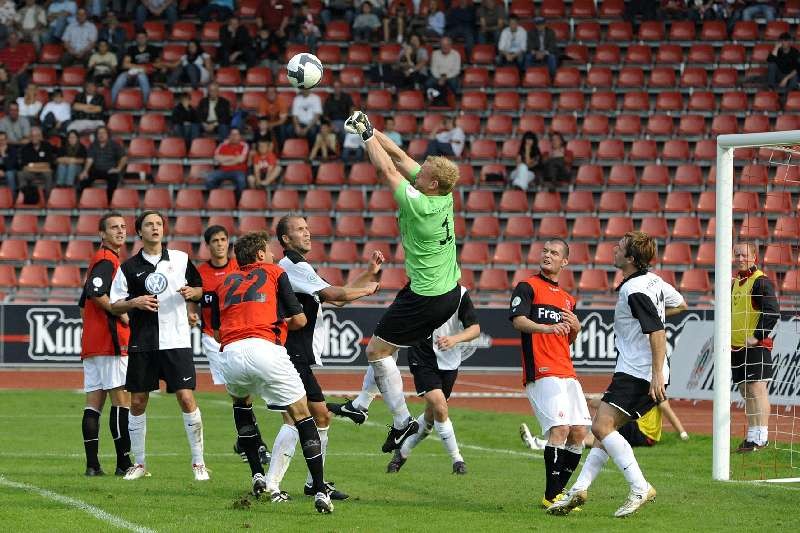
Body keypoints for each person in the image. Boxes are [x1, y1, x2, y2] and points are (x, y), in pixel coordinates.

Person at [329, 110, 462, 453]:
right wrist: (371, 128)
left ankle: (402, 423)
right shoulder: (441, 193)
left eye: (424, 173)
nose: (418, 173)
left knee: (376, 350)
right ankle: (360, 405)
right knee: (385, 347)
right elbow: (400, 157)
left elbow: (387, 168)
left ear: (431, 183)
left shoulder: (420, 204)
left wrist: (366, 136)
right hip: (444, 291)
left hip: (428, 296)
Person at [548, 231, 687, 518]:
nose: (614, 249)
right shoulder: (654, 281)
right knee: (604, 429)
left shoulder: (633, 289)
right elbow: (681, 304)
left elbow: (657, 331)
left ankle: (639, 486)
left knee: (600, 428)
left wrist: (656, 375)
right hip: (639, 370)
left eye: (620, 247)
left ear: (631, 258)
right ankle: (579, 489)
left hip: (638, 372)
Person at [213, 231, 333, 513]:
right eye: (268, 251)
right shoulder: (275, 272)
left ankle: (257, 474)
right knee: (303, 413)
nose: (273, 256)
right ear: (259, 256)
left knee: (242, 406)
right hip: (264, 348)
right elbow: (300, 319)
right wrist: (274, 323)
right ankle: (319, 491)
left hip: (229, 353)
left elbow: (218, 329)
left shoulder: (225, 281)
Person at [263, 215, 381, 500]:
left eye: (307, 227)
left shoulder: (299, 268)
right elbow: (335, 293)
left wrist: (368, 273)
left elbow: (336, 298)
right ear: (286, 240)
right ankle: (272, 485)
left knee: (320, 416)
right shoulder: (293, 266)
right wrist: (368, 289)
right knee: (295, 418)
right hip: (289, 352)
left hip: (297, 353)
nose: (308, 233)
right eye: (300, 230)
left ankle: (313, 483)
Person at [109, 210, 208, 482]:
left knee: (186, 399)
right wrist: (135, 302)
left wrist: (192, 295)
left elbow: (200, 288)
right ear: (139, 232)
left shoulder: (181, 259)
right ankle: (139, 463)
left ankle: (199, 462)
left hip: (176, 341)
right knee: (138, 401)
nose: (155, 228)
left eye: (159, 224)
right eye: (149, 224)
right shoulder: (128, 267)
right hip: (143, 342)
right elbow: (114, 303)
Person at [509, 239, 588, 508]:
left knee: (578, 432)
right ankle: (552, 496)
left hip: (567, 371)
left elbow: (568, 339)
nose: (547, 256)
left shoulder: (568, 299)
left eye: (554, 253)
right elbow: (518, 321)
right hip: (541, 371)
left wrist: (575, 327)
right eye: (545, 251)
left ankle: (559, 492)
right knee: (560, 428)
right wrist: (545, 328)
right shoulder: (527, 286)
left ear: (564, 261)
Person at [196, 225, 271, 466]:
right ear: (208, 246)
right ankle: (254, 443)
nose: (219, 244)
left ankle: (248, 440)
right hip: (212, 336)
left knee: (242, 394)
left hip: (237, 336)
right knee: (239, 394)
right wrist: (190, 311)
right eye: (215, 240)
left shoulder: (237, 267)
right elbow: (191, 298)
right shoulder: (200, 272)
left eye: (223, 239)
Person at [387, 285, 480, 475]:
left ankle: (402, 452)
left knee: (431, 415)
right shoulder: (417, 288)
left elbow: (475, 329)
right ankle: (457, 460)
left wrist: (455, 339)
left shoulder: (460, 294)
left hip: (449, 361)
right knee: (440, 406)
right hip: (421, 357)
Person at [79, 212, 133, 477]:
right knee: (122, 401)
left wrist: (92, 328)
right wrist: (117, 312)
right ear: (102, 234)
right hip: (110, 343)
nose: (120, 231)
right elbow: (96, 292)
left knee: (93, 403)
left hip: (92, 343)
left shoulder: (98, 261)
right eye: (114, 227)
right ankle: (124, 463)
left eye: (123, 227)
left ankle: (92, 465)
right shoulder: (106, 259)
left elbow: (83, 302)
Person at [730, 242, 780, 452]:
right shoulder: (735, 283)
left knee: (757, 389)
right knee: (745, 391)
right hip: (736, 347)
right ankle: (752, 436)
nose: (740, 258)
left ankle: (762, 437)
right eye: (736, 254)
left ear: (754, 257)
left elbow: (772, 312)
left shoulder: (761, 281)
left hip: (755, 347)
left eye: (744, 255)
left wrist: (757, 336)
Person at [77, 126, 127, 203]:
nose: (101, 135)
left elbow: (123, 157)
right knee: (84, 180)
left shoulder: (114, 145)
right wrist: (85, 171)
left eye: (103, 133)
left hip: (110, 170)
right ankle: (82, 201)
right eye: (99, 133)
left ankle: (108, 202)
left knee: (114, 179)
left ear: (107, 134)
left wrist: (118, 168)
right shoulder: (93, 145)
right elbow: (90, 159)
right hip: (96, 170)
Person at [111, 31, 162, 105]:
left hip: (146, 76)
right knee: (121, 77)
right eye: (138, 37)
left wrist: (147, 67)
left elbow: (159, 64)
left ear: (147, 38)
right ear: (136, 39)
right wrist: (142, 67)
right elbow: (124, 64)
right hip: (131, 74)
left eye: (143, 37)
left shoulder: (152, 49)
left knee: (141, 75)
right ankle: (113, 103)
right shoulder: (131, 49)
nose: (141, 39)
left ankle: (145, 103)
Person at [205, 128, 248, 200]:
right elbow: (216, 158)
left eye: (236, 134)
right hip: (223, 171)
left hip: (238, 171)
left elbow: (241, 159)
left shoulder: (244, 145)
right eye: (232, 134)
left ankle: (237, 200)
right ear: (229, 136)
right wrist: (234, 158)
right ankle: (218, 197)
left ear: (240, 136)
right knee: (209, 178)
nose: (234, 136)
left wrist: (224, 161)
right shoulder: (223, 144)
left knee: (242, 181)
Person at [18, 126, 55, 198]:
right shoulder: (25, 148)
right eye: (32, 136)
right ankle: (26, 197)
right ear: (30, 137)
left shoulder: (47, 146)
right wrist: (40, 166)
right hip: (31, 173)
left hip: (44, 172)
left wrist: (32, 165)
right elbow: (25, 166)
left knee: (48, 174)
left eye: (36, 135)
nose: (34, 137)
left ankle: (47, 199)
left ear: (40, 136)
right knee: (20, 174)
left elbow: (48, 164)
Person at [426, 36, 461, 101]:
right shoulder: (435, 53)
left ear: (450, 45)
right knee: (428, 83)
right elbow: (433, 69)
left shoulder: (456, 54)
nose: (444, 47)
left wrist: (445, 78)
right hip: (437, 76)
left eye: (447, 45)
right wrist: (440, 77)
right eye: (442, 45)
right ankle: (433, 100)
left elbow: (456, 70)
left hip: (451, 76)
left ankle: (452, 100)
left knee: (454, 84)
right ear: (440, 45)